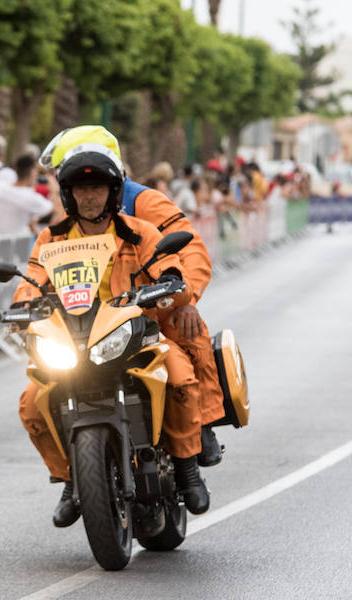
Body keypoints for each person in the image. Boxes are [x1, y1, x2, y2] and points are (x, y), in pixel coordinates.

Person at [17, 128, 224, 527]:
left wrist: (178, 292)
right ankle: (70, 478)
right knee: (30, 402)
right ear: (67, 193)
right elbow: (31, 280)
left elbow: (178, 259)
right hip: (76, 338)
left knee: (180, 373)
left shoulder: (142, 224)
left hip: (137, 329)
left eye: (97, 186)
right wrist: (22, 309)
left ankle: (188, 464)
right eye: (77, 186)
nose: (88, 195)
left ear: (113, 187)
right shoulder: (51, 238)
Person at [0, 154, 53, 239]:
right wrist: (54, 189)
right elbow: (54, 209)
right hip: (14, 246)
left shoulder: (1, 188)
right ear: (32, 173)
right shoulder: (30, 197)